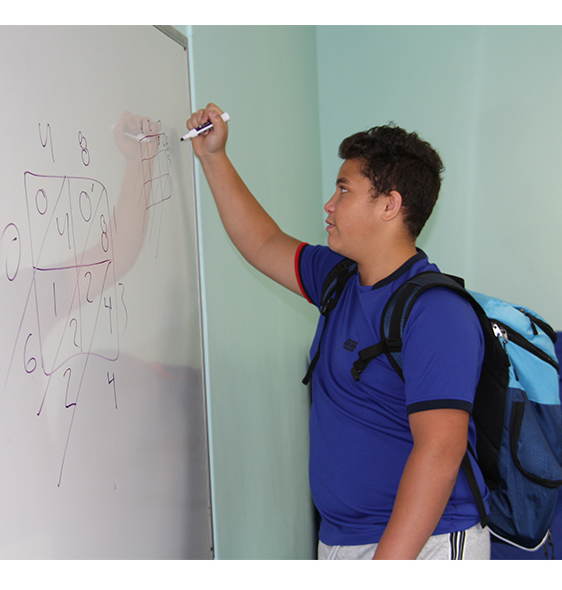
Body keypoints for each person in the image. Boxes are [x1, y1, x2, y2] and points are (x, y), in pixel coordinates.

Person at [186, 105, 487, 560]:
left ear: (389, 205)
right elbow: (263, 242)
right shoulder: (340, 279)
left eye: (344, 190)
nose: (329, 204)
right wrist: (213, 156)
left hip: (425, 547)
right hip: (342, 540)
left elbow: (441, 453)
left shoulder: (436, 312)